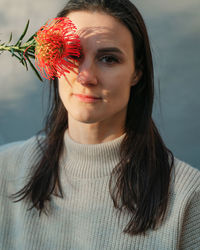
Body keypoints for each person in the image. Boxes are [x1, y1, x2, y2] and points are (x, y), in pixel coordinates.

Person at [0, 0, 199, 249]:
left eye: (108, 59)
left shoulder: (187, 196)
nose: (86, 77)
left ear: (137, 72)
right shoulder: (5, 169)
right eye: (72, 55)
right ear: (52, 61)